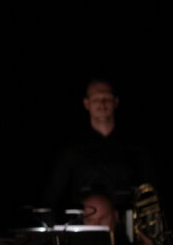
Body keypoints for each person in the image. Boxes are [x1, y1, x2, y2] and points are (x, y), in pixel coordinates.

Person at [43, 78, 155, 212]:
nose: (102, 104)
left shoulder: (136, 147)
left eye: (107, 98)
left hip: (128, 225)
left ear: (116, 102)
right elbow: (50, 198)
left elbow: (152, 193)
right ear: (86, 103)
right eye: (96, 99)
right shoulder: (72, 149)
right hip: (88, 225)